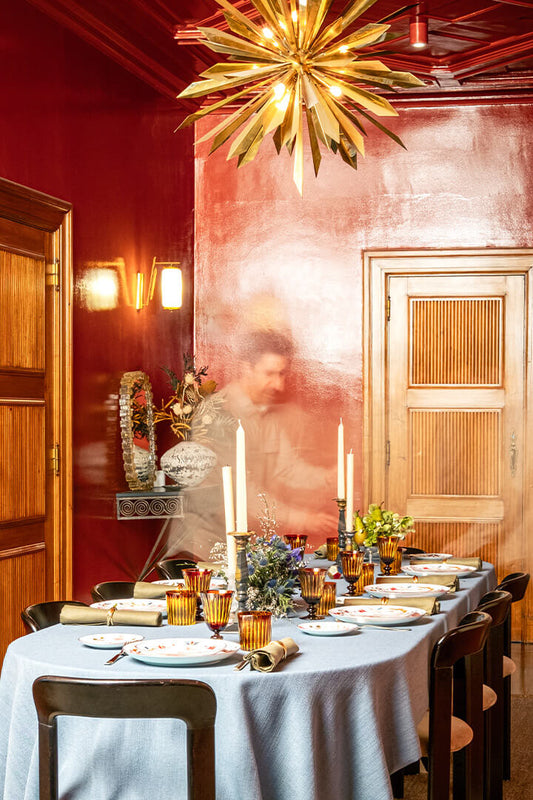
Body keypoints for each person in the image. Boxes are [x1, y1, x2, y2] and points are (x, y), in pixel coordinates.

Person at [165, 330, 336, 561]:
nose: (278, 384)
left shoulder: (265, 413)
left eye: (282, 374)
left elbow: (286, 468)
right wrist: (303, 519)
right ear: (246, 368)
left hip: (239, 542)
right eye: (270, 374)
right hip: (203, 549)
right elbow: (242, 491)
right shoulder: (218, 415)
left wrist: (327, 478)